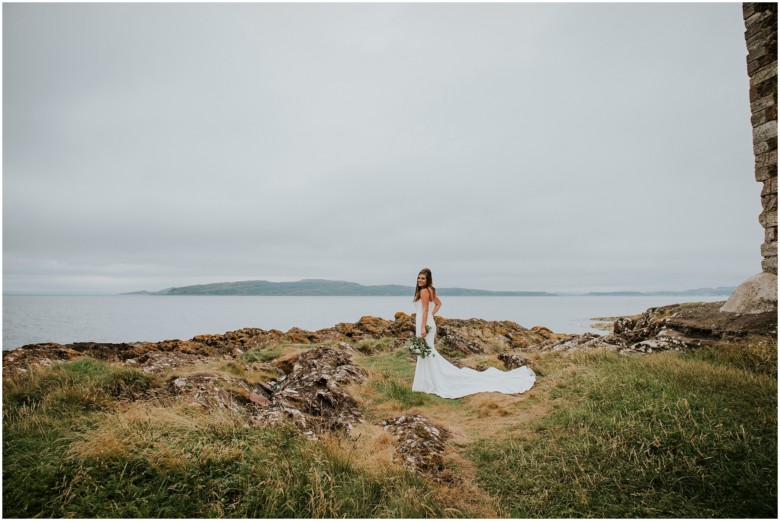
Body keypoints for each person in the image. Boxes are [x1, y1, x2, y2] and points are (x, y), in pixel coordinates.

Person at [411, 268, 536, 399]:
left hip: (424, 324)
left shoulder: (425, 291)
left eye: (423, 278)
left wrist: (424, 326)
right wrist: (430, 316)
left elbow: (425, 310)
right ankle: (426, 380)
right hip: (426, 322)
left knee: (427, 351)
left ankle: (429, 381)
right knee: (427, 352)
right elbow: (438, 304)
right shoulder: (430, 290)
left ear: (428, 280)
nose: (420, 280)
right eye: (419, 278)